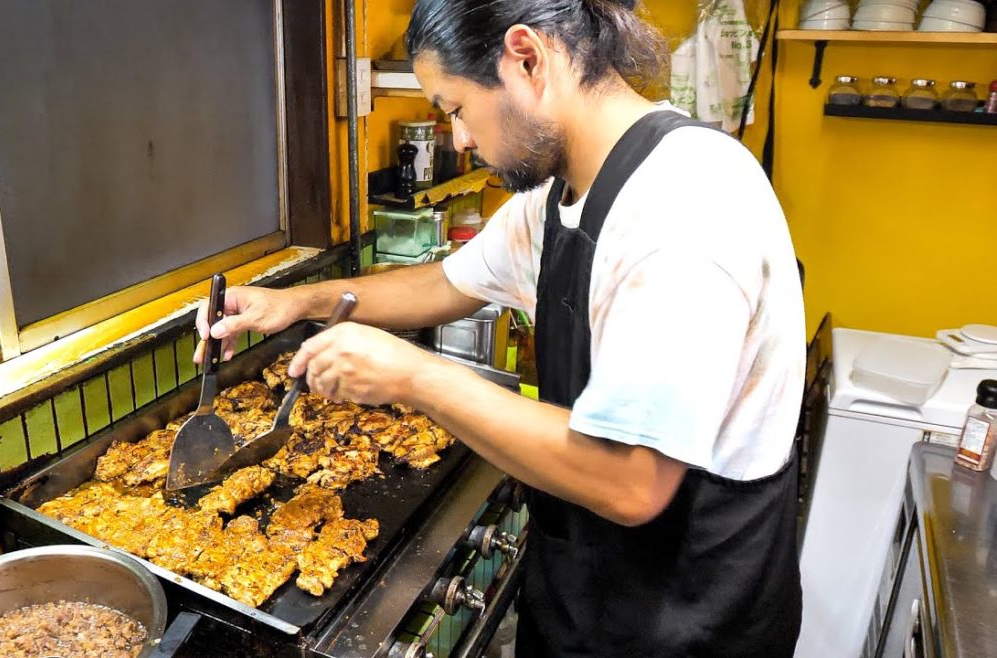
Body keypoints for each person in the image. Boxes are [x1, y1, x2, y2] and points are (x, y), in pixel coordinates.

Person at [197, 0, 805, 655]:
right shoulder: (562, 192)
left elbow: (631, 480)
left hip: (688, 617)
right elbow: (446, 283)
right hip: (581, 592)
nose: (460, 139)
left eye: (457, 108)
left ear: (527, 59)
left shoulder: (684, 208)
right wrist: (296, 302)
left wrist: (414, 376)